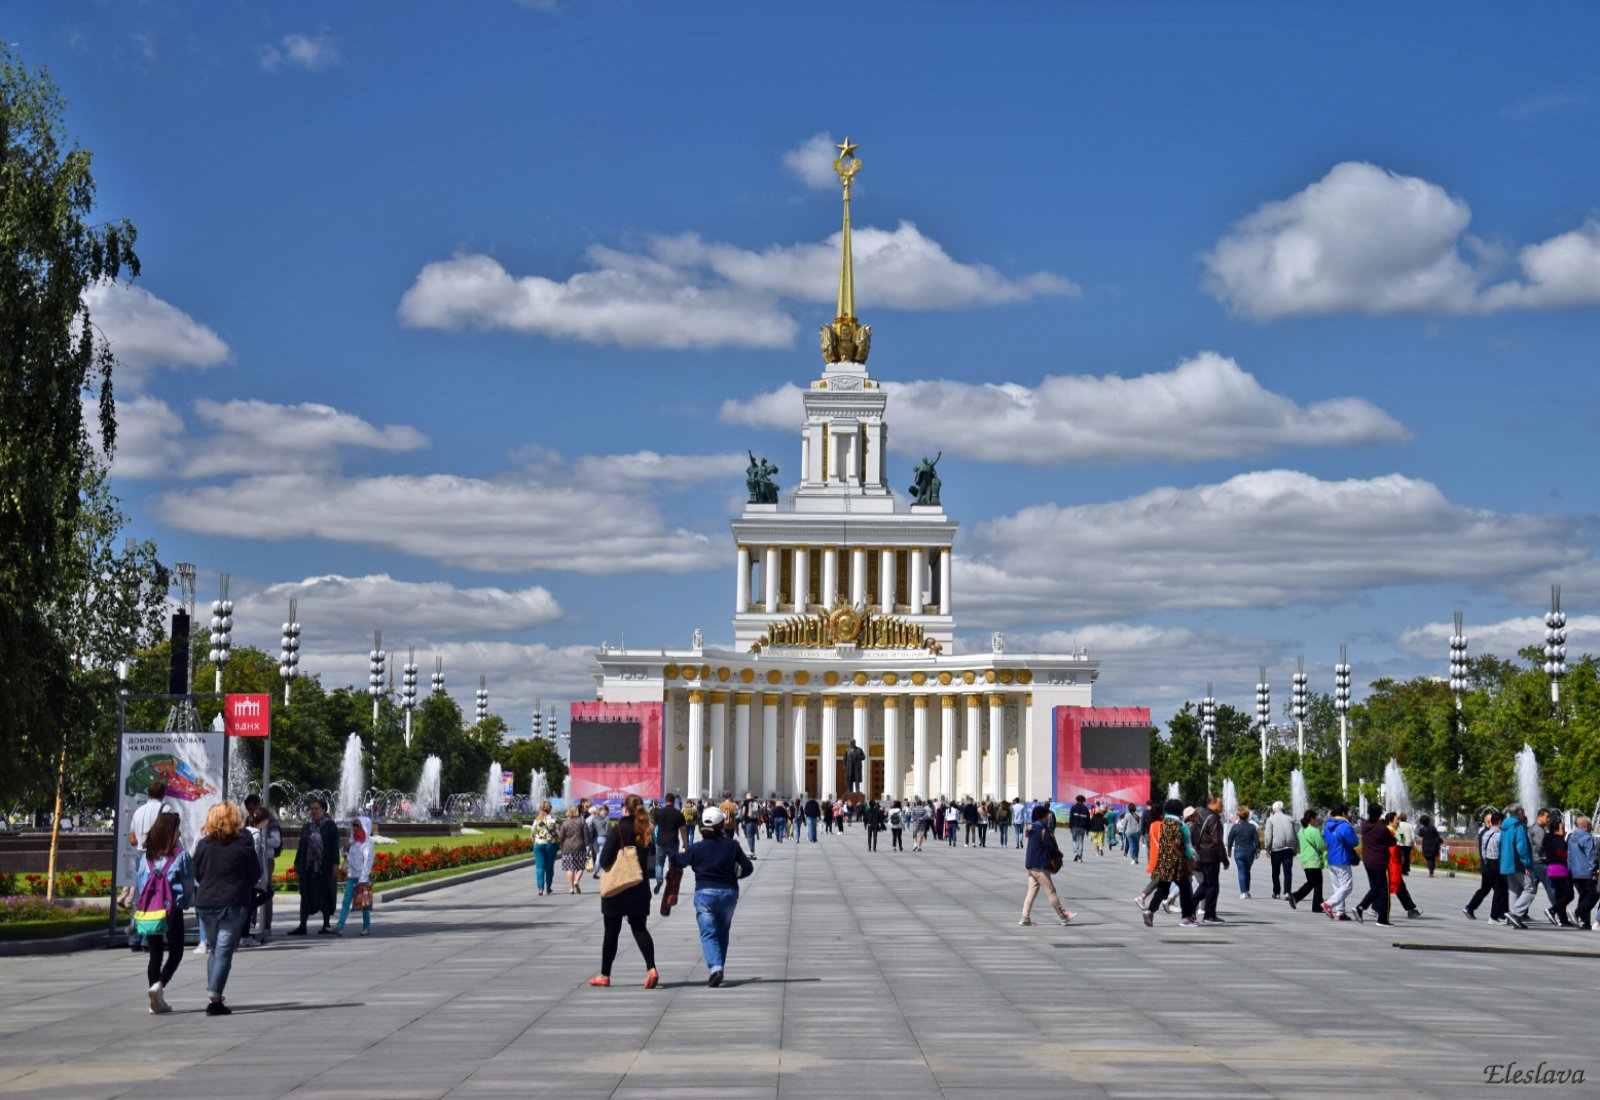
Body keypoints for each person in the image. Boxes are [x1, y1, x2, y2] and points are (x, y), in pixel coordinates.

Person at [668, 805, 754, 986]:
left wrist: (673, 853)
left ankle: (716, 968)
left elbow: (678, 861)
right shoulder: (732, 846)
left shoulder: (697, 848)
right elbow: (748, 867)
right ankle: (718, 967)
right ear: (721, 825)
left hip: (705, 893)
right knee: (722, 932)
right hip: (729, 893)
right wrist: (737, 873)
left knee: (709, 933)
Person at [192, 801, 262, 1016]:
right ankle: (214, 997)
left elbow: (197, 873)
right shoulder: (243, 844)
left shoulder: (204, 845)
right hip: (234, 901)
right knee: (223, 951)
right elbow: (255, 873)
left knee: (215, 949)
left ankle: (214, 994)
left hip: (206, 903)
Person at [590, 794, 658, 989]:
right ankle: (651, 968)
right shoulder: (645, 829)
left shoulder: (618, 829)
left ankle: (605, 975)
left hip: (618, 888)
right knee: (639, 929)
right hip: (639, 887)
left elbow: (603, 861)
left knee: (611, 932)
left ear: (625, 809)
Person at [134, 808, 195, 1014]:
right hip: (172, 910)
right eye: (177, 829)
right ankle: (158, 986)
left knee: (155, 954)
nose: (179, 832)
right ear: (172, 832)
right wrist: (186, 903)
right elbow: (188, 885)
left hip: (150, 911)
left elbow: (141, 886)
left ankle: (155, 1001)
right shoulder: (181, 856)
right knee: (176, 952)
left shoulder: (146, 859)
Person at [124, 780, 170, 944]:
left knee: (140, 895)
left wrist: (143, 840)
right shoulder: (166, 809)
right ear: (163, 794)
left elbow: (132, 839)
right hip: (158, 856)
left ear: (148, 794)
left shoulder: (139, 812)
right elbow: (170, 835)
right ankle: (149, 938)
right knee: (157, 894)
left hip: (140, 855)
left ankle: (135, 937)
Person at [1143, 799, 1197, 928]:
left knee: (1162, 888)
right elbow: (1186, 844)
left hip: (1164, 861)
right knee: (1185, 889)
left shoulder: (1162, 824)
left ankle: (1150, 911)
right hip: (1179, 863)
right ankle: (1186, 918)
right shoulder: (1180, 825)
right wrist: (1191, 857)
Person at [289, 798, 340, 935]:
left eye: (316, 808)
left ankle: (326, 924)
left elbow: (335, 846)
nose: (313, 811)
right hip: (308, 867)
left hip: (324, 867)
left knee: (323, 895)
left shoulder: (330, 826)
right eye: (312, 809)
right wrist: (297, 862)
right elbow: (301, 846)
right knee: (305, 895)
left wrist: (336, 864)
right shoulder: (307, 826)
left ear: (324, 810)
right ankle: (302, 925)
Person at [1019, 805, 1075, 926]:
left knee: (1032, 891)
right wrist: (1059, 855)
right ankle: (1063, 916)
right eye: (1046, 816)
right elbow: (1050, 848)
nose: (1047, 818)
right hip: (1040, 866)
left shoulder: (1033, 828)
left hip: (1031, 864)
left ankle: (1025, 917)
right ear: (1042, 817)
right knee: (1051, 891)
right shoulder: (1043, 830)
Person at [242, 793, 281, 942]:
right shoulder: (248, 820)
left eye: (253, 808)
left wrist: (260, 838)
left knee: (265, 891)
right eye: (248, 809)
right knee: (251, 893)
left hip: (265, 859)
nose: (251, 812)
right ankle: (249, 923)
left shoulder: (269, 820)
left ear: (258, 805)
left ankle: (265, 925)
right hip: (252, 861)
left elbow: (276, 841)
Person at [1353, 803, 1395, 926]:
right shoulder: (1381, 828)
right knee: (1383, 891)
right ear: (1380, 814)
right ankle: (1382, 919)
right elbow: (1392, 842)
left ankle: (1360, 908)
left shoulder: (1365, 825)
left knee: (1375, 889)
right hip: (1380, 862)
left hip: (1368, 862)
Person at [335, 815, 374, 936]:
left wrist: (363, 878)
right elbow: (344, 854)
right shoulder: (352, 839)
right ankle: (340, 926)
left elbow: (368, 861)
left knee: (364, 905)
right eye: (354, 825)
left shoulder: (368, 843)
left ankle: (366, 926)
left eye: (358, 825)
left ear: (364, 826)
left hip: (362, 877)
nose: (355, 828)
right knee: (346, 902)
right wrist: (345, 849)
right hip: (352, 876)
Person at [240, 806, 273, 948]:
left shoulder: (246, 831)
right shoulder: (256, 834)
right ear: (264, 820)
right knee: (252, 903)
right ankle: (245, 935)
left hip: (249, 875)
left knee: (249, 905)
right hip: (254, 876)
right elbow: (255, 854)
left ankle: (244, 934)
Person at [1193, 795, 1229, 922]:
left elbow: (1193, 835)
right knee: (1212, 886)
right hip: (1211, 856)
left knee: (1206, 883)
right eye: (1220, 803)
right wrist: (1224, 860)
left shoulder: (1200, 815)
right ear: (1212, 803)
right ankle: (1209, 915)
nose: (1222, 806)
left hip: (1202, 855)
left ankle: (1191, 907)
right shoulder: (1213, 818)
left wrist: (1199, 848)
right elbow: (1217, 841)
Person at [1500, 803, 1536, 930]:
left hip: (1507, 862)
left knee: (1514, 890)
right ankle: (1515, 914)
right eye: (1523, 811)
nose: (1524, 813)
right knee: (1530, 888)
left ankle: (1514, 918)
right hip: (1517, 862)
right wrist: (1526, 864)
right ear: (1519, 812)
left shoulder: (1504, 826)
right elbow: (1522, 847)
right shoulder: (1518, 826)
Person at [1322, 804, 1359, 921]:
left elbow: (1325, 838)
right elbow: (1354, 842)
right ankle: (1328, 904)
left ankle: (1340, 912)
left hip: (1331, 859)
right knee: (1347, 886)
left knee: (1338, 887)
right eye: (1347, 813)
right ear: (1343, 813)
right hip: (1342, 858)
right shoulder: (1345, 826)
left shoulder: (1327, 826)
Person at [1384, 812, 1422, 919]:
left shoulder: (1394, 830)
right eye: (1396, 819)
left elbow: (1399, 840)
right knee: (1388, 887)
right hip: (1391, 863)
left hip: (1394, 862)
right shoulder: (1387, 831)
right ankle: (1372, 907)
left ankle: (1411, 909)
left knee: (1397, 887)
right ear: (1391, 820)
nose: (1398, 821)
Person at [1287, 809, 1325, 912]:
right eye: (1315, 819)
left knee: (1311, 882)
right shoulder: (1314, 830)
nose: (1316, 821)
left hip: (1305, 860)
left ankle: (1296, 897)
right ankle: (1316, 906)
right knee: (1318, 883)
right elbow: (1320, 846)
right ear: (1311, 819)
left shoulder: (1301, 831)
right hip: (1314, 860)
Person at [651, 794, 687, 894]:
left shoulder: (658, 813)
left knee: (659, 863)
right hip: (673, 842)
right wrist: (685, 844)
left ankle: (659, 879)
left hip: (660, 842)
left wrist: (647, 839)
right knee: (673, 864)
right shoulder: (678, 814)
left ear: (665, 800)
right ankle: (671, 884)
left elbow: (651, 828)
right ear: (674, 800)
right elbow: (683, 831)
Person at [1542, 817, 1574, 926]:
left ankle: (1563, 919)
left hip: (1551, 869)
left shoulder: (1548, 838)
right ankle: (1552, 910)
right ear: (1557, 829)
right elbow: (1565, 856)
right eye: (1562, 828)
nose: (1564, 830)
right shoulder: (1560, 841)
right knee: (1569, 894)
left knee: (1560, 895)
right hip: (1560, 870)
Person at [1263, 801, 1297, 899]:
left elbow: (1268, 836)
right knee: (1288, 872)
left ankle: (1276, 892)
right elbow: (1294, 834)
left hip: (1276, 850)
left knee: (1275, 872)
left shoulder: (1270, 820)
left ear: (1273, 809)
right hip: (1288, 849)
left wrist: (1267, 848)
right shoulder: (1290, 819)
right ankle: (1287, 892)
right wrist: (1295, 847)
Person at [1568, 816, 1597, 930]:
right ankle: (1577, 914)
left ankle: (1585, 922)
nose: (1591, 827)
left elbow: (1569, 856)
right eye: (1590, 825)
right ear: (1586, 826)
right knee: (1593, 895)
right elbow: (1591, 856)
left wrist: (1570, 870)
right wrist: (1594, 870)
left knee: (1584, 896)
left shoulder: (1571, 837)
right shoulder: (1587, 837)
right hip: (1586, 872)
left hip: (1575, 872)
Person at [1226, 807, 1260, 899]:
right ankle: (1247, 891)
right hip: (1250, 852)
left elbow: (1230, 840)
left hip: (1239, 852)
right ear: (1248, 816)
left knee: (1241, 871)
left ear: (1238, 816)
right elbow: (1256, 842)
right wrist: (1257, 851)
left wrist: (1229, 850)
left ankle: (1243, 892)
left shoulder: (1235, 827)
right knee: (1247, 871)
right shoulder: (1252, 827)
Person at [530, 800, 560, 897]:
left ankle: (540, 888)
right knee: (549, 867)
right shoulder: (553, 820)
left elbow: (532, 833)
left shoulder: (536, 820)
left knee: (539, 867)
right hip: (550, 844)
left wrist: (535, 841)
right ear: (550, 808)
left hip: (538, 845)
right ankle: (548, 888)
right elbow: (558, 833)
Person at [560, 805, 590, 895]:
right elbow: (587, 835)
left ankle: (571, 888)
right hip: (580, 846)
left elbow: (561, 836)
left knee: (569, 868)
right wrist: (588, 844)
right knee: (581, 866)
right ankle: (576, 881)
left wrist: (561, 845)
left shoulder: (565, 823)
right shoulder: (582, 821)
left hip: (567, 847)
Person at [589, 803, 611, 881]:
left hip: (595, 839)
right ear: (604, 810)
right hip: (603, 838)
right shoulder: (607, 818)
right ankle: (595, 872)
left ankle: (599, 871)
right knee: (599, 856)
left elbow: (591, 828)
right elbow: (608, 828)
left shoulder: (594, 818)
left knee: (597, 854)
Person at [1067, 795, 1090, 861]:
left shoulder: (1073, 807)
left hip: (1074, 826)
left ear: (1076, 800)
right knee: (1081, 841)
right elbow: (1088, 820)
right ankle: (1080, 856)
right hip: (1082, 827)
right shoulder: (1086, 809)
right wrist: (1088, 829)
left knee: (1074, 840)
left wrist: (1070, 827)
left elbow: (1071, 818)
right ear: (1083, 800)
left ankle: (1076, 852)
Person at [1394, 811, 1416, 877]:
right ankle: (1406, 870)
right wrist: (1413, 843)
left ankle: (1401, 869)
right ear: (1406, 818)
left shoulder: (1398, 824)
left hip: (1400, 842)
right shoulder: (1410, 825)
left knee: (1401, 856)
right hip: (1408, 843)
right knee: (1407, 857)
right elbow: (1413, 836)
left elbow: (1396, 833)